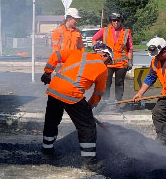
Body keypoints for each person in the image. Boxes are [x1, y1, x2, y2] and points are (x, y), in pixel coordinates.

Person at [40, 41, 113, 170]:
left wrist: (47, 72)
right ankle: (89, 162)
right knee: (87, 127)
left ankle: (47, 150)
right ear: (105, 55)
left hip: (54, 89)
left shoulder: (77, 53)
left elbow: (56, 55)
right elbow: (98, 92)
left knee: (52, 121)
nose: (107, 64)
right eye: (108, 61)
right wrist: (90, 105)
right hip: (72, 94)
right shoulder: (102, 69)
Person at [94, 12, 133, 101]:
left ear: (121, 21)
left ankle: (117, 101)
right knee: (106, 82)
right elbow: (94, 39)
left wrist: (130, 61)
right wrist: (99, 52)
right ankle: (105, 101)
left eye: (118, 20)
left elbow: (130, 48)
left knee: (119, 83)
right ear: (111, 21)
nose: (116, 22)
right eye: (114, 20)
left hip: (121, 63)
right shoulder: (104, 30)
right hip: (108, 62)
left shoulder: (126, 32)